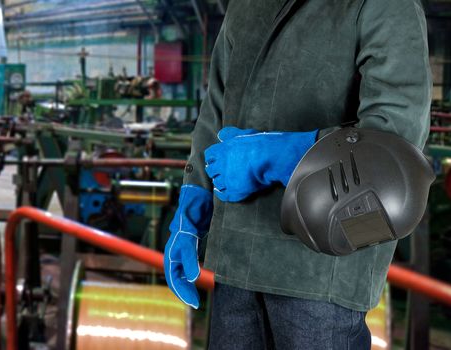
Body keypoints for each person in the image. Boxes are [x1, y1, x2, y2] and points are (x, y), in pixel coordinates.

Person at [164, 0, 431, 349]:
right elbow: (216, 109)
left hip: (321, 269)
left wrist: (280, 155)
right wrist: (190, 211)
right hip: (236, 257)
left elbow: (396, 144)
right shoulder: (245, 7)